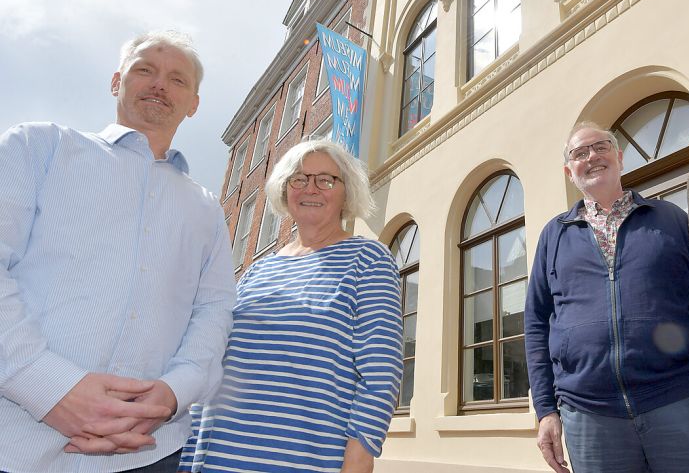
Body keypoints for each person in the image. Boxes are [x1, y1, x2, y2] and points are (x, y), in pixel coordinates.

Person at [0, 31, 236, 472]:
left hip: (153, 450)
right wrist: (47, 387)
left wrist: (173, 393)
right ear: (116, 81)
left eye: (177, 79)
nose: (160, 84)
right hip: (13, 442)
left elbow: (215, 310)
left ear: (194, 104)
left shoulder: (206, 208)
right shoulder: (39, 147)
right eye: (145, 69)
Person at [180, 139, 403, 473]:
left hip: (305, 458)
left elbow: (381, 375)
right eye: (299, 179)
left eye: (326, 180)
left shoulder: (368, 259)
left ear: (347, 192)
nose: (311, 188)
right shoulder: (258, 269)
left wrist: (359, 457)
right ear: (285, 191)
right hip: (215, 455)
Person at [524, 122, 689, 473]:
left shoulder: (670, 219)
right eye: (580, 153)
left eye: (601, 147)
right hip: (589, 416)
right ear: (569, 171)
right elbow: (536, 324)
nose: (592, 157)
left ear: (619, 157)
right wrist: (546, 410)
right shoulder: (553, 236)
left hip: (683, 402)